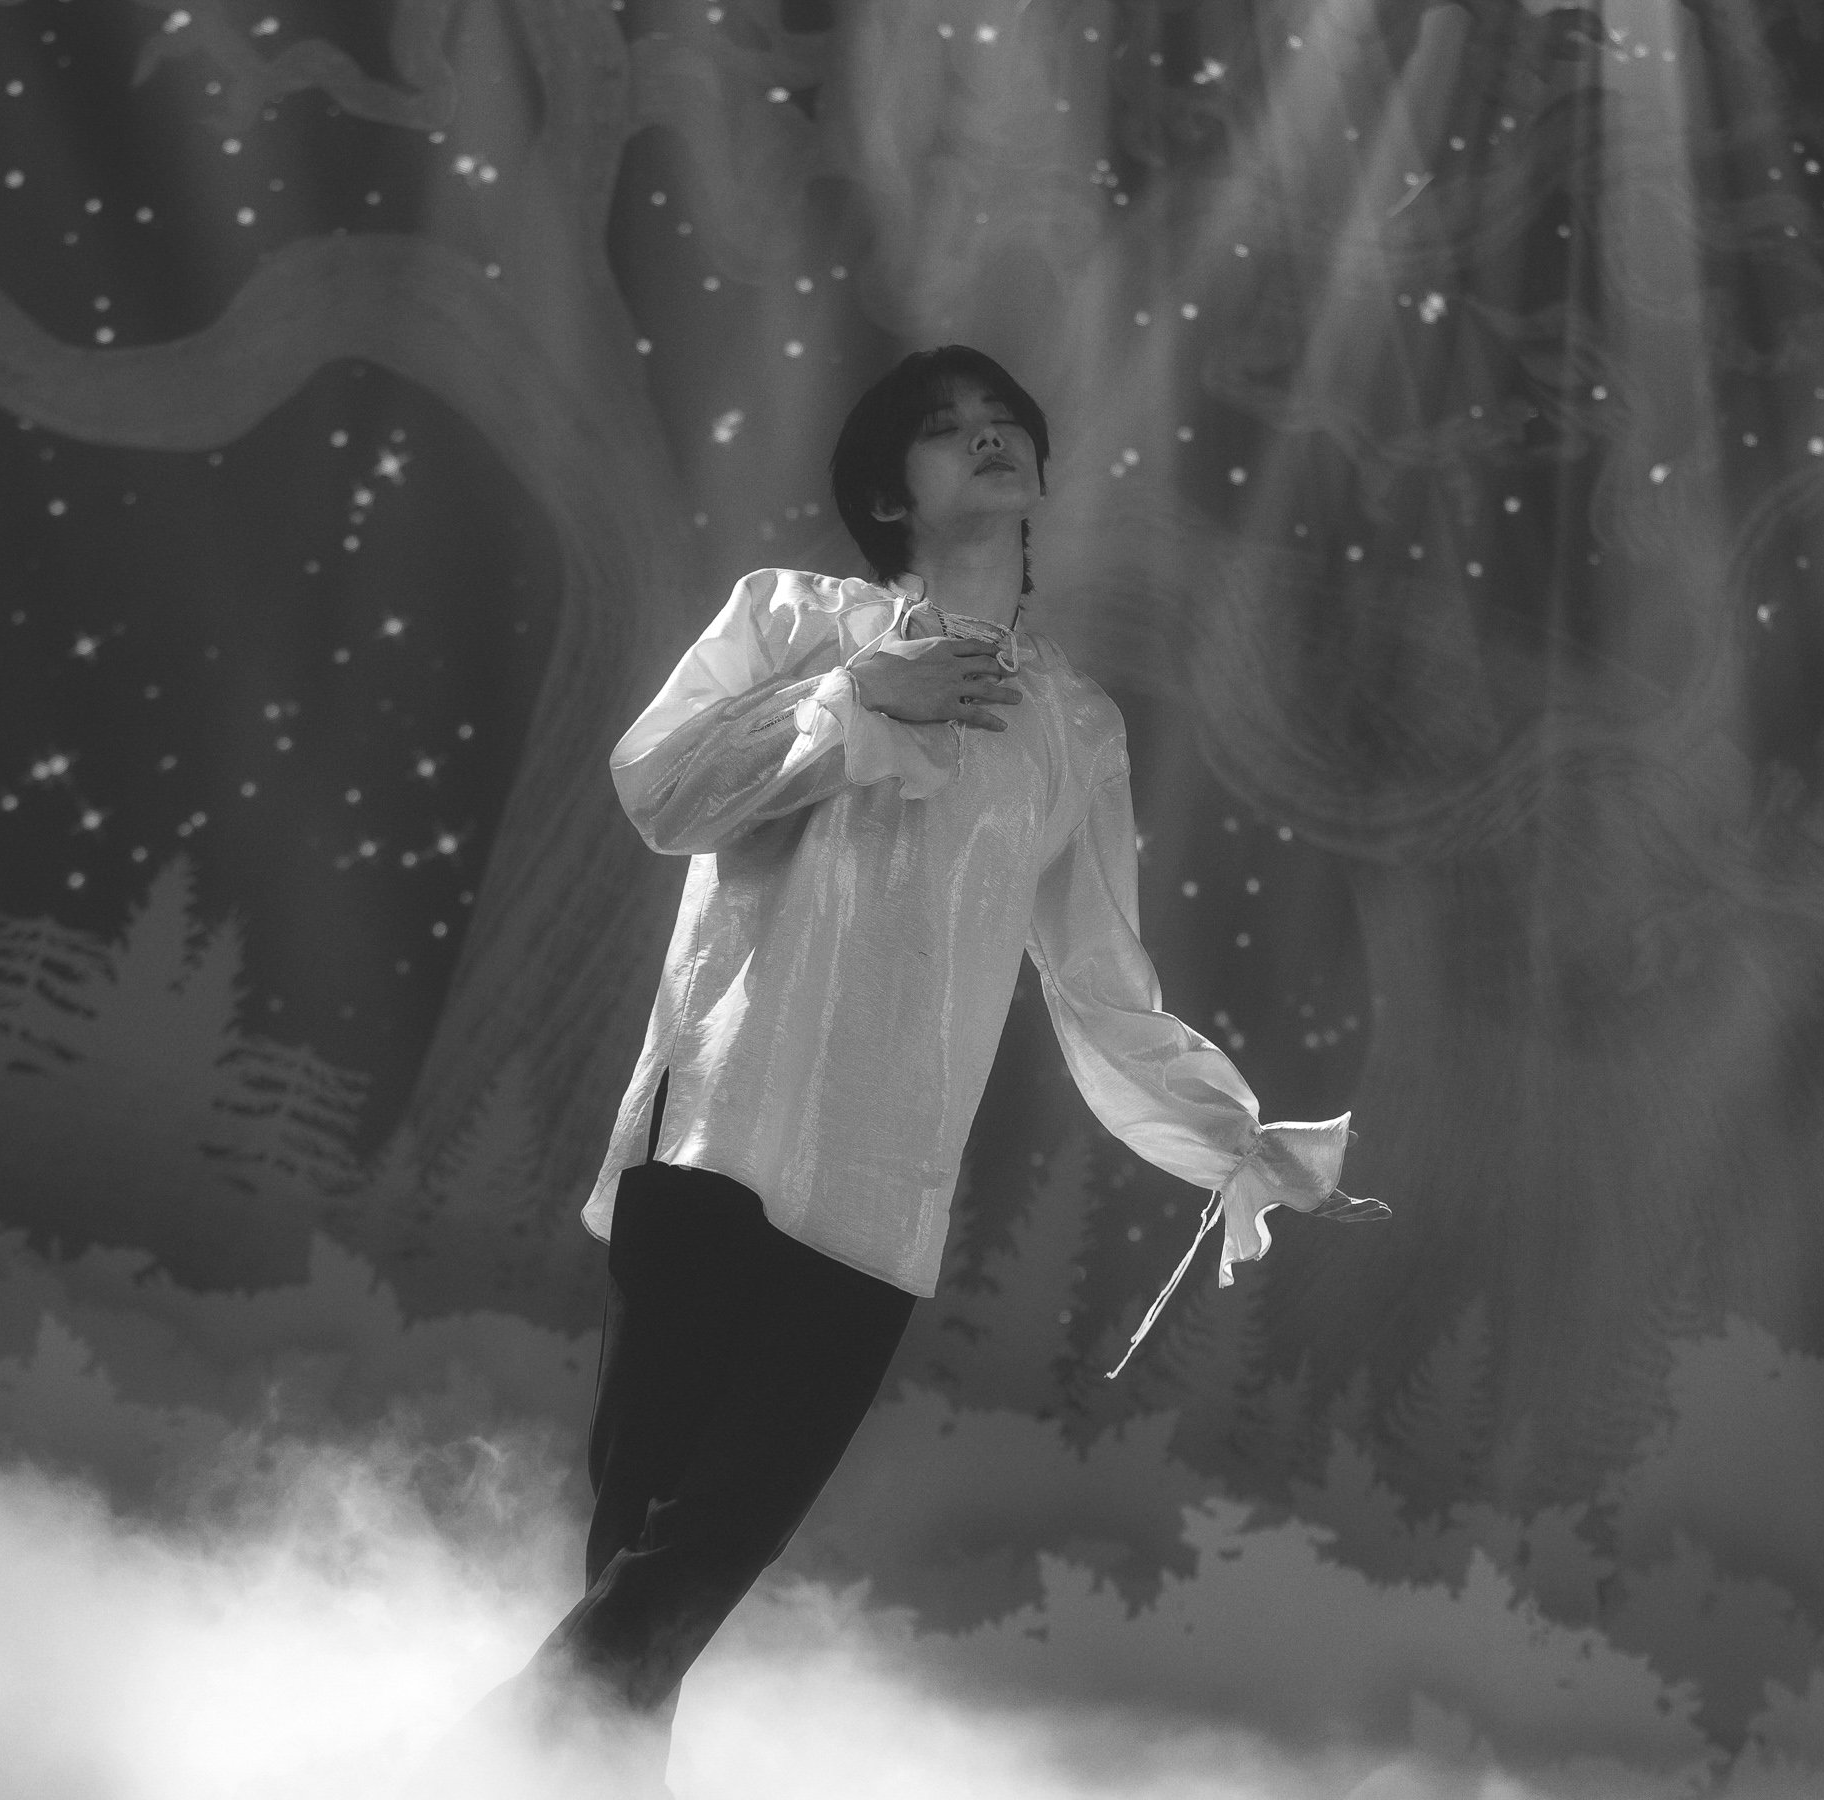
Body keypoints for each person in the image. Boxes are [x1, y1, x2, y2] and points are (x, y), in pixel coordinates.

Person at [459, 345, 1360, 1792]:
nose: (986, 437)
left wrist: (1238, 1142)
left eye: (1004, 421)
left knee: (704, 1548)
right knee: (642, 1552)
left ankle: (473, 1759)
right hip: (709, 1137)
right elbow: (659, 789)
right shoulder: (789, 618)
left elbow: (1102, 982)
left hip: (881, 1183)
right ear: (890, 492)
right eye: (946, 429)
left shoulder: (1077, 726)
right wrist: (853, 698)